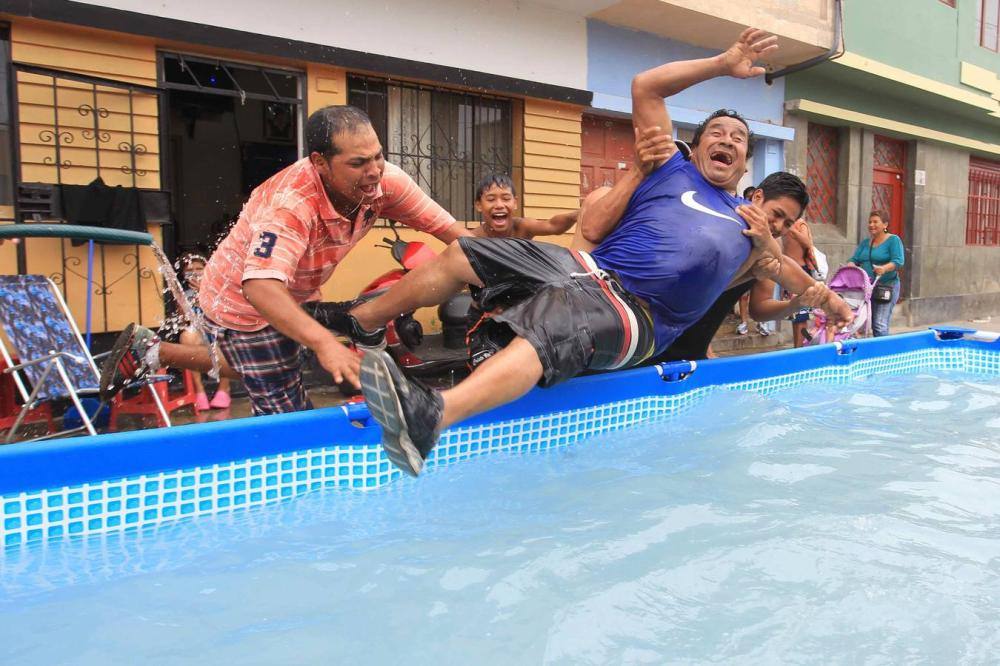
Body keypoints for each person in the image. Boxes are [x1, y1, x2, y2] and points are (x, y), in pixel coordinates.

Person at [345, 29, 854, 476]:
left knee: (556, 320)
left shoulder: (749, 225)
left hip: (639, 316)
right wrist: (722, 64)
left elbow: (790, 274)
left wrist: (832, 302)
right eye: (716, 133)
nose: (727, 140)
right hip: (589, 269)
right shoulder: (667, 167)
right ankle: (362, 321)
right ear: (695, 147)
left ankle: (432, 417)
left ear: (745, 165)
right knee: (470, 254)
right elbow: (646, 86)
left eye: (739, 139)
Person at [101, 105, 470, 414]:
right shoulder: (291, 203)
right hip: (241, 296)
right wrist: (325, 342)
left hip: (295, 286)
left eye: (378, 156)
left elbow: (454, 234)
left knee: (277, 359)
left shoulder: (384, 181)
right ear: (320, 162)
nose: (374, 171)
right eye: (358, 163)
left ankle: (153, 350)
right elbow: (260, 287)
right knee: (285, 399)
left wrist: (510, 265)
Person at [178, 253, 232, 410]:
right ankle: (199, 390)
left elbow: (224, 315)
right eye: (189, 270)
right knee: (187, 336)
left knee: (223, 337)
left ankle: (224, 388)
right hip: (198, 333)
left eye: (199, 269)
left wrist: (205, 292)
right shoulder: (183, 293)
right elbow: (183, 321)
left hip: (217, 329)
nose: (194, 273)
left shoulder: (218, 287)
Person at [849, 209, 904, 337]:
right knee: (862, 323)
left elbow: (898, 261)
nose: (871, 225)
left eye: (875, 222)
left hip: (886, 286)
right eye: (869, 222)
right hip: (866, 288)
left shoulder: (893, 240)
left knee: (879, 324)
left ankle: (884, 354)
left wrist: (884, 268)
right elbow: (854, 259)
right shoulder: (865, 243)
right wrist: (850, 265)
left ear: (885, 225)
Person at [471, 174, 578, 240]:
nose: (499, 205)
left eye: (506, 198)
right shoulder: (474, 238)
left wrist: (575, 215)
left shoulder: (522, 228)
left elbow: (553, 226)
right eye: (491, 199)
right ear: (479, 205)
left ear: (515, 203)